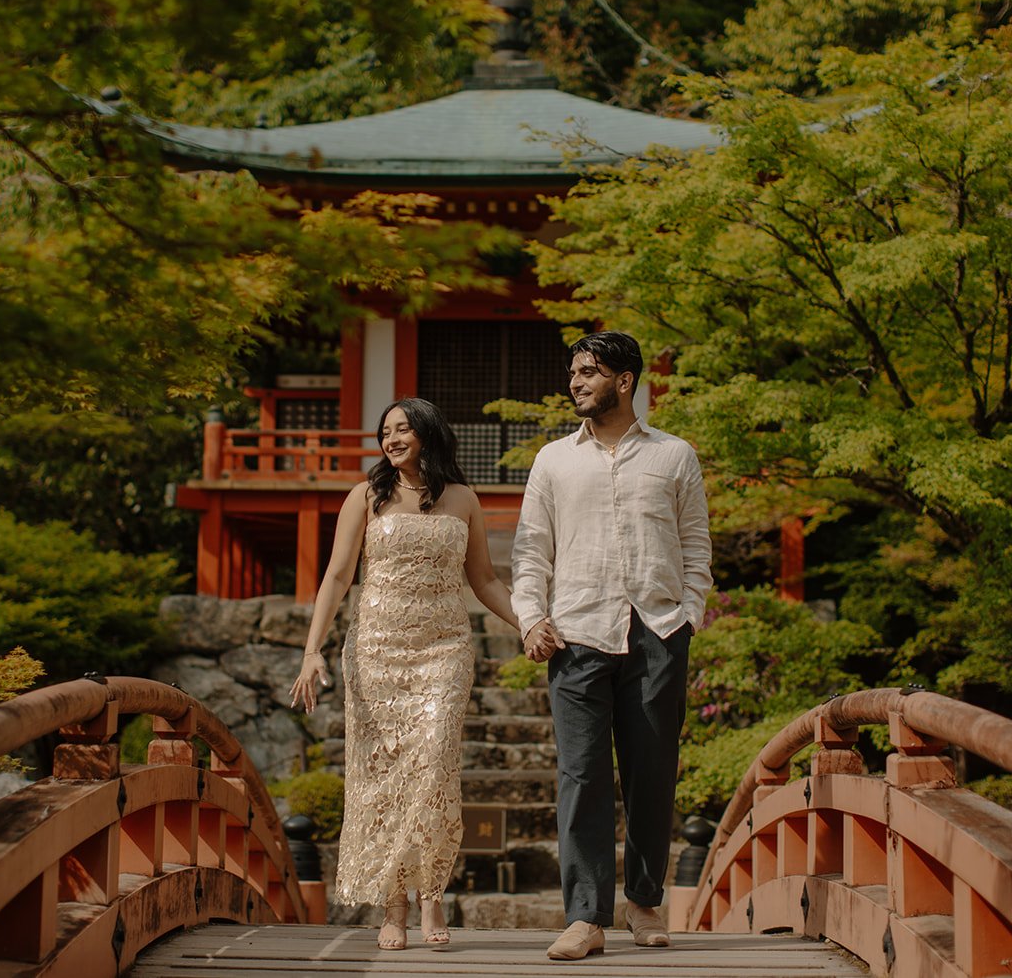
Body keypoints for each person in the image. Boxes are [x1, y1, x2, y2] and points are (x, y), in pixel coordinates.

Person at [290, 397, 521, 951]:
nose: (391, 439)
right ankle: (393, 903)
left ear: (427, 434)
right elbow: (338, 574)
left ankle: (432, 894)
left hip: (444, 649)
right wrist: (311, 649)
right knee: (383, 776)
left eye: (402, 430)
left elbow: (485, 581)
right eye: (385, 431)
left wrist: (532, 625)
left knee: (436, 767)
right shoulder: (365, 497)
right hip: (376, 651)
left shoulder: (464, 499)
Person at [512, 331, 713, 961]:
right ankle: (585, 917)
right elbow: (530, 550)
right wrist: (529, 617)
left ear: (624, 381)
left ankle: (646, 903)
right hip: (575, 634)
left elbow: (696, 546)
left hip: (657, 631)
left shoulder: (675, 456)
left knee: (651, 775)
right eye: (573, 372)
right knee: (581, 775)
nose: (575, 382)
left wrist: (690, 616)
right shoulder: (553, 460)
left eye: (589, 372)